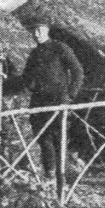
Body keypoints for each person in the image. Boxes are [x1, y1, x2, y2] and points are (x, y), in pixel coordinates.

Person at [16, 16, 84, 179]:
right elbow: (26, 77)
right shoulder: (34, 54)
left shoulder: (60, 48)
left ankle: (62, 175)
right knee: (42, 137)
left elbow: (78, 72)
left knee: (59, 137)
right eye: (34, 30)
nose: (37, 34)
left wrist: (70, 94)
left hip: (58, 100)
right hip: (39, 101)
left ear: (47, 31)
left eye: (40, 30)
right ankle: (50, 175)